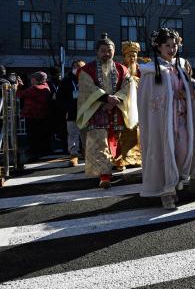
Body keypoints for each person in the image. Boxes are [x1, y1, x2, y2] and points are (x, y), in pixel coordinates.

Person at [138, 28, 195, 210]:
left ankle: (175, 181)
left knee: (184, 151)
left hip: (181, 118)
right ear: (158, 47)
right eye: (167, 45)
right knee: (165, 153)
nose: (172, 49)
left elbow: (188, 86)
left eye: (175, 45)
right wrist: (172, 95)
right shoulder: (150, 70)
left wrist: (188, 92)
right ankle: (167, 192)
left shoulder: (181, 66)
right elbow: (148, 99)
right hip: (163, 121)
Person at [76, 33, 137, 189]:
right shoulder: (86, 70)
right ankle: (104, 176)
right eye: (103, 51)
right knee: (99, 143)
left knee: (115, 141)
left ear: (114, 51)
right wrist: (105, 99)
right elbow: (87, 87)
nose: (106, 54)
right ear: (97, 51)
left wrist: (116, 99)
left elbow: (128, 85)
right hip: (97, 110)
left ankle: (114, 165)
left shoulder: (121, 68)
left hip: (116, 110)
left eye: (109, 51)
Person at [116, 41, 142, 169]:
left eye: (134, 55)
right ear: (124, 57)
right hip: (124, 105)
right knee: (123, 131)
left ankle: (137, 158)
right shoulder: (120, 69)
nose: (132, 58)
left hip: (139, 104)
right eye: (129, 55)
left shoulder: (141, 69)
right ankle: (122, 158)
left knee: (138, 131)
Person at [16, 71, 52, 161]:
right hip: (42, 116)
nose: (31, 80)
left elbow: (19, 95)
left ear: (35, 79)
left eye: (32, 78)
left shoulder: (35, 88)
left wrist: (16, 86)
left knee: (33, 136)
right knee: (40, 136)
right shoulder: (46, 86)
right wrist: (22, 86)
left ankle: (35, 153)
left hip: (33, 116)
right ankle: (41, 151)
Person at [58, 60, 85, 167]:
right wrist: (67, 108)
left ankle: (86, 152)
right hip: (72, 111)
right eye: (76, 66)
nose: (78, 68)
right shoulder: (67, 80)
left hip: (86, 111)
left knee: (86, 134)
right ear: (72, 67)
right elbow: (60, 97)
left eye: (81, 67)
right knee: (73, 134)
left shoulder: (88, 78)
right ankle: (74, 154)